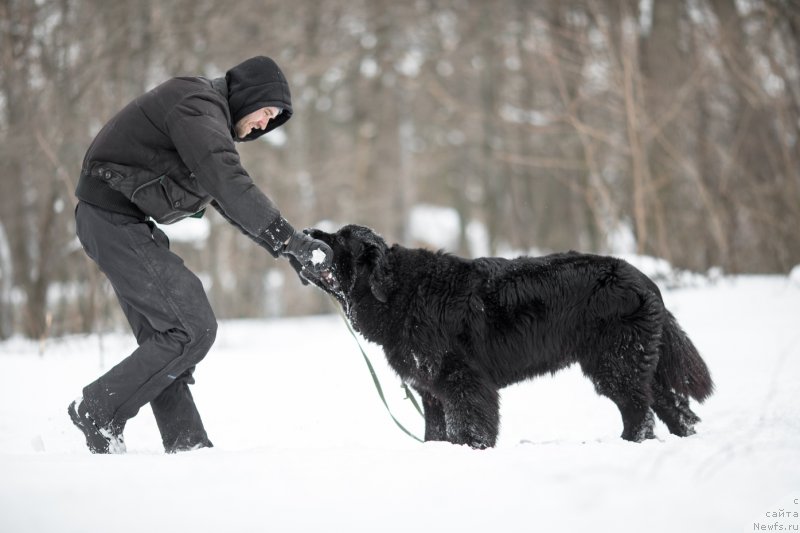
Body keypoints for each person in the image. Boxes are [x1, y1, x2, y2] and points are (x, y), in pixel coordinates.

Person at [68, 56, 332, 454]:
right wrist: (294, 241)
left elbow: (225, 200)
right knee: (192, 328)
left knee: (168, 337)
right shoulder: (195, 104)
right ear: (247, 96)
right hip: (111, 219)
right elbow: (229, 183)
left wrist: (288, 251)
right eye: (265, 112)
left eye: (272, 119)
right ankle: (98, 411)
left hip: (120, 223)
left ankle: (186, 444)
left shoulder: (206, 120)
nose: (264, 124)